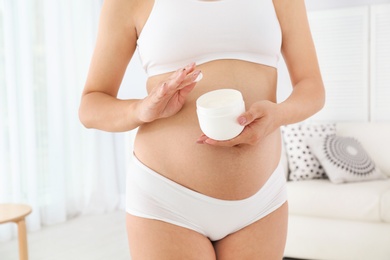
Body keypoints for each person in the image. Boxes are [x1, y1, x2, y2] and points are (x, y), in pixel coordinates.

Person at [79, 0, 325, 259]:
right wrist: (141, 109)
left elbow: (313, 89)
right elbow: (90, 106)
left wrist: (278, 115)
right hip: (167, 201)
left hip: (261, 202)